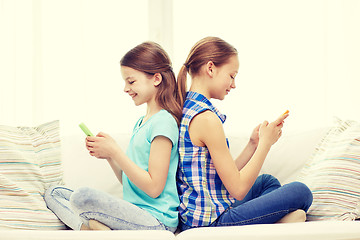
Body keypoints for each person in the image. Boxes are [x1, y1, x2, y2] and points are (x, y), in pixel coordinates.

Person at [176, 36, 313, 231]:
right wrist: (266, 144)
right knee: (301, 192)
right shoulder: (207, 119)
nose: (233, 85)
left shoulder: (187, 107)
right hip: (212, 222)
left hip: (202, 213)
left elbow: (222, 176)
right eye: (232, 76)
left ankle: (271, 220)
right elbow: (238, 190)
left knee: (267, 182)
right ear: (211, 68)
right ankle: (276, 222)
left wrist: (252, 145)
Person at [44, 42, 181, 232]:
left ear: (156, 79)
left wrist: (116, 152)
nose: (126, 88)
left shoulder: (164, 122)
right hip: (135, 213)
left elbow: (154, 188)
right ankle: (91, 230)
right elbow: (130, 183)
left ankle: (94, 229)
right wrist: (109, 156)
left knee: (82, 197)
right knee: (54, 193)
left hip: (156, 221)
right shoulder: (142, 122)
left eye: (131, 81)